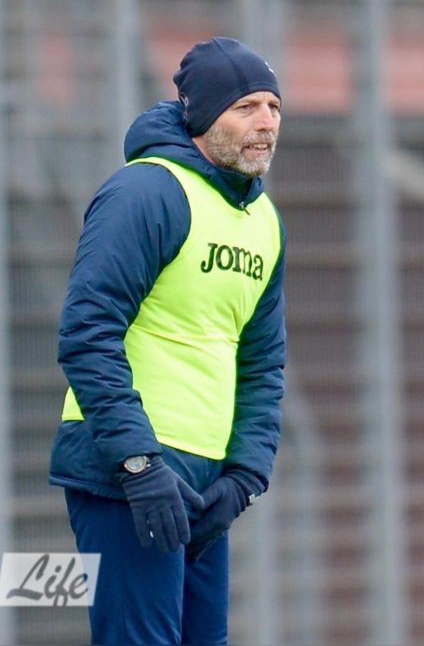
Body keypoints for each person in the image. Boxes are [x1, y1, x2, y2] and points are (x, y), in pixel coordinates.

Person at [49, 36, 286, 645]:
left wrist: (245, 475)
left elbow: (262, 362)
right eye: (245, 108)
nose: (266, 123)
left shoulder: (262, 220)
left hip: (207, 483)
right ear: (202, 117)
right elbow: (88, 332)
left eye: (274, 107)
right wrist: (138, 464)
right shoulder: (146, 193)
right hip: (131, 472)